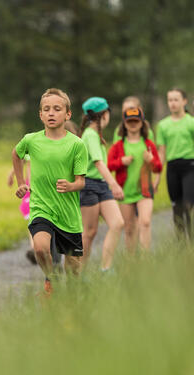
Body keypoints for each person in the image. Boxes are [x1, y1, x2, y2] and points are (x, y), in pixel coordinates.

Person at [12, 88, 87, 296]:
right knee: (40, 249)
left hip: (68, 213)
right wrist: (20, 183)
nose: (51, 113)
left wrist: (72, 186)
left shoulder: (77, 145)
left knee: (73, 268)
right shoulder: (31, 140)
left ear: (68, 114)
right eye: (47, 109)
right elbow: (16, 155)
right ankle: (51, 280)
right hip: (41, 207)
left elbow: (81, 182)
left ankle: (74, 298)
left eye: (57, 109)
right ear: (41, 114)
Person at [78, 97, 124, 271]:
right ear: (104, 114)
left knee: (117, 223)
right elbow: (98, 162)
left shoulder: (95, 135)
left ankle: (105, 269)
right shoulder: (90, 135)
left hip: (101, 185)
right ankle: (79, 274)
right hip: (89, 185)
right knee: (89, 232)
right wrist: (114, 184)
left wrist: (108, 183)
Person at [108, 106, 162, 251]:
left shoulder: (148, 144)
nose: (133, 124)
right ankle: (132, 264)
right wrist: (121, 161)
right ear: (124, 124)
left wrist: (151, 160)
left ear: (142, 123)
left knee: (145, 222)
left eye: (136, 121)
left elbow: (158, 168)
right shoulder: (119, 146)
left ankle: (145, 261)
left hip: (144, 191)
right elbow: (109, 165)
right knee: (129, 229)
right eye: (129, 121)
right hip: (125, 192)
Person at [156, 88, 194, 241]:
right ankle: (181, 245)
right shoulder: (163, 125)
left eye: (176, 100)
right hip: (172, 169)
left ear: (184, 101)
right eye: (170, 100)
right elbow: (162, 154)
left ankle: (193, 242)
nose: (173, 103)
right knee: (176, 207)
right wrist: (156, 179)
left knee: (189, 206)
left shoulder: (193, 123)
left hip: (189, 167)